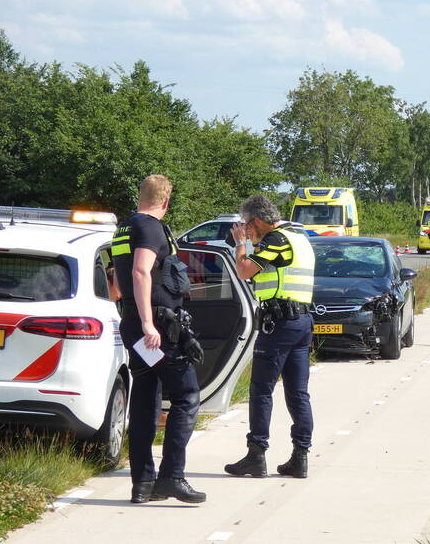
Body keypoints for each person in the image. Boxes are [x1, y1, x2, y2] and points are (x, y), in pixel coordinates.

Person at [112, 175, 205, 504]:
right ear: (166, 201)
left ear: (141, 195)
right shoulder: (151, 227)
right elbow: (140, 271)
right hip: (157, 331)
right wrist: (151, 322)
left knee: (146, 399)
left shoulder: (124, 228)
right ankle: (172, 477)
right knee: (187, 396)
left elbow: (115, 279)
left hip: (135, 328)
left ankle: (143, 485)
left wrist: (135, 318)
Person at [224, 195, 316, 480]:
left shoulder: (276, 239)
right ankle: (300, 457)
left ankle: (256, 454)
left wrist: (241, 244)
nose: (248, 233)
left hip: (279, 324)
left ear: (258, 220)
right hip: (301, 321)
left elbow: (244, 270)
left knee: (261, 390)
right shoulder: (299, 236)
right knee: (297, 392)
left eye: (248, 227)